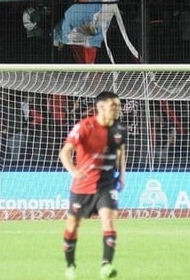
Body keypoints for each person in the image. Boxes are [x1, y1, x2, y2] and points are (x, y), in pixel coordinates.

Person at [59, 91, 125, 280]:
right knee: (72, 226)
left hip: (106, 185)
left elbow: (121, 151)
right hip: (83, 187)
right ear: (101, 107)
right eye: (114, 106)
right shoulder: (84, 126)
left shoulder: (119, 129)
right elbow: (65, 153)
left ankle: (106, 266)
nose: (117, 109)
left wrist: (122, 175)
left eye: (118, 106)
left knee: (109, 221)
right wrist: (73, 171)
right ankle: (70, 266)